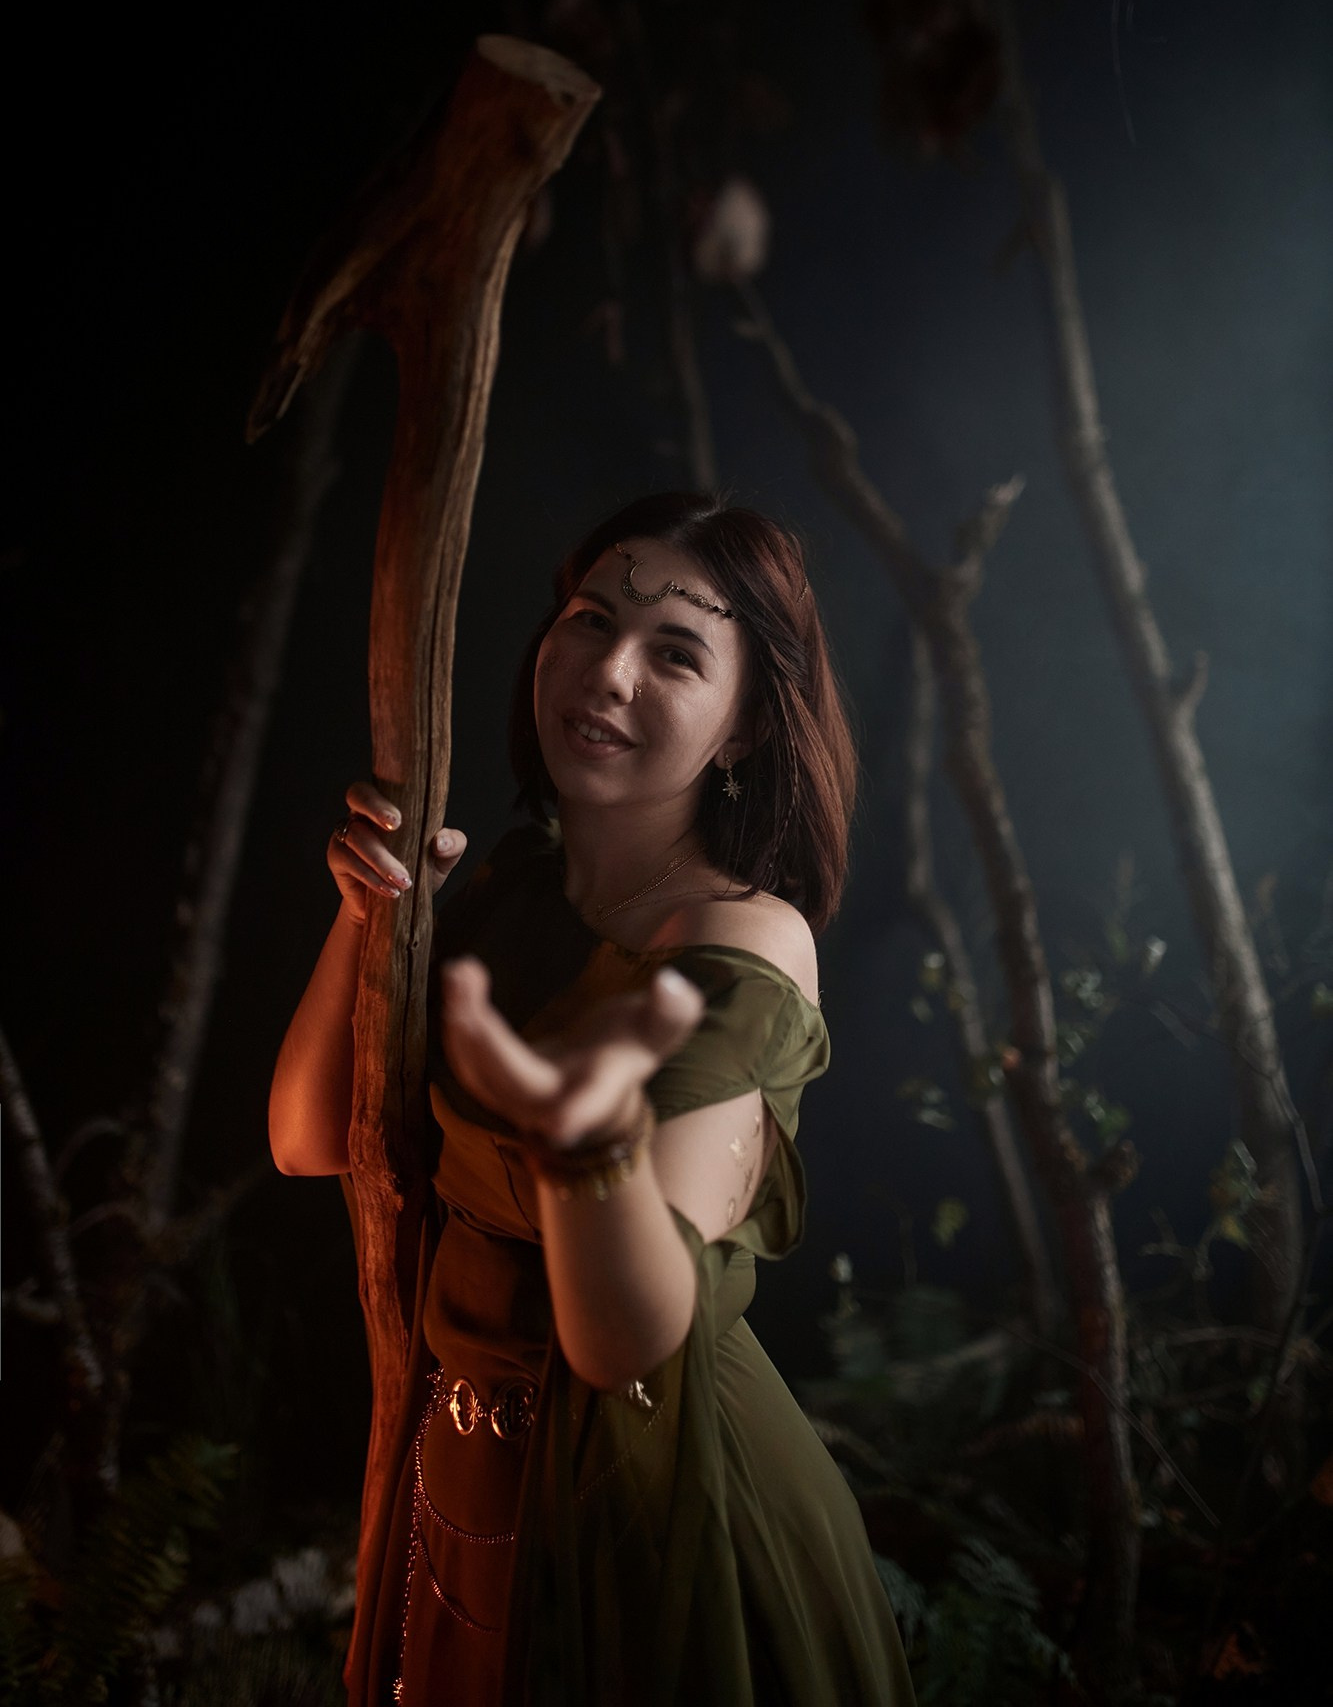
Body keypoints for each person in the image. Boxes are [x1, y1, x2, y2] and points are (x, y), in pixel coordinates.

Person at [269, 491, 917, 1706]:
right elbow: (309, 1139)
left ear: (745, 726)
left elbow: (626, 1338)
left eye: (676, 652)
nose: (609, 672)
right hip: (460, 1485)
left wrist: (587, 1142)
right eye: (590, 619)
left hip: (654, 1508)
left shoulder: (742, 942)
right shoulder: (511, 888)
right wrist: (368, 918)